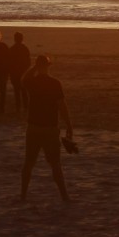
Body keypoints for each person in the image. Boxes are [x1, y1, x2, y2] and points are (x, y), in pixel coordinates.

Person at [20, 55, 73, 202]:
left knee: (29, 163)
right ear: (48, 66)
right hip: (50, 128)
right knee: (55, 163)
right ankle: (64, 196)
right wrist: (69, 124)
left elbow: (23, 79)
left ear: (37, 66)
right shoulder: (55, 83)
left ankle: (23, 195)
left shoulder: (32, 82)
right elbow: (62, 106)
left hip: (34, 127)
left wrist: (34, 68)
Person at [8, 32, 31, 115]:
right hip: (23, 72)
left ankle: (18, 108)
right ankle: (25, 107)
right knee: (24, 91)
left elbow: (9, 63)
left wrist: (10, 72)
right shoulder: (25, 48)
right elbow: (28, 62)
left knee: (17, 91)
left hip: (15, 73)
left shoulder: (12, 49)